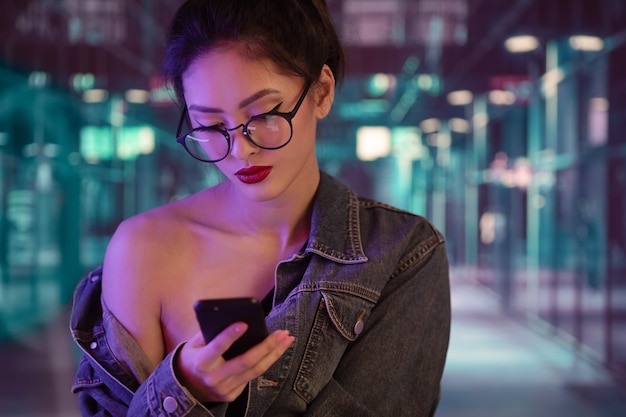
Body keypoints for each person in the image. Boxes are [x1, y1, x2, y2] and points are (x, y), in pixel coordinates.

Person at [69, 0, 451, 415]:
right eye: (211, 126)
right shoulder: (144, 248)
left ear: (321, 92)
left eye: (265, 113)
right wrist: (180, 387)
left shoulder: (402, 253)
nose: (240, 148)